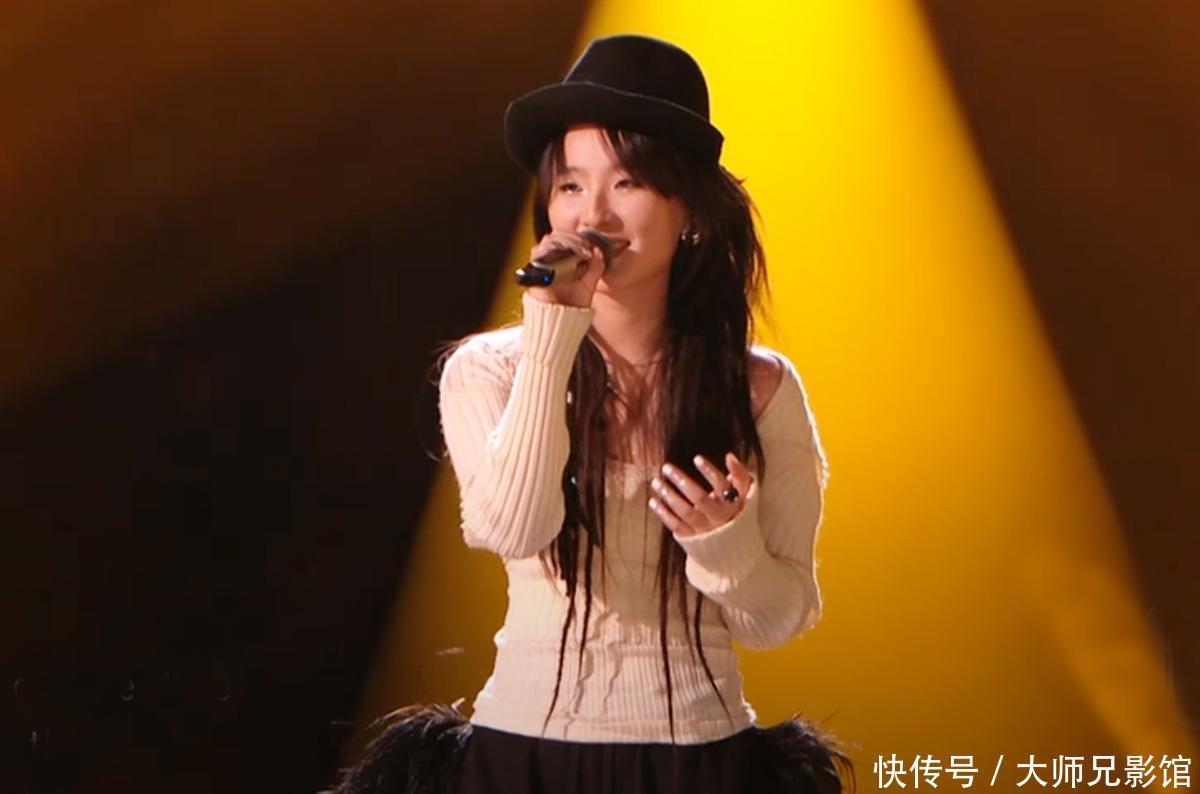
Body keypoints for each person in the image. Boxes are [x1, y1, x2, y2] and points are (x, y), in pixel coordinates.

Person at [329, 33, 851, 794]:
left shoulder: (758, 387)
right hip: (524, 753)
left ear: (689, 209)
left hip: (701, 757)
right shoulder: (488, 371)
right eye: (571, 185)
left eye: (627, 182)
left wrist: (726, 547)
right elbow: (515, 527)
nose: (593, 214)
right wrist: (552, 331)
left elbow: (780, 617)